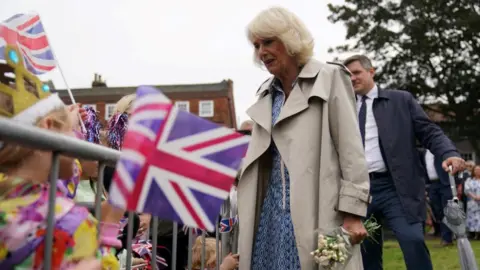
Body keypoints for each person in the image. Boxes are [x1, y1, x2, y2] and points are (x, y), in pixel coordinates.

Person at [238, 7, 370, 270]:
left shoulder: (330, 77)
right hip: (271, 216)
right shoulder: (266, 95)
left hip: (318, 209)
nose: (261, 52)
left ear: (290, 39)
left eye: (268, 42)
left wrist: (353, 213)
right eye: (256, 45)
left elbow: (351, 150)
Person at [0, 45, 118, 269]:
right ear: (49, 127)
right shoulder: (69, 222)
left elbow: (64, 177)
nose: (78, 143)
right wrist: (109, 224)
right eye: (72, 133)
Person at [343, 54, 465, 270]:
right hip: (359, 191)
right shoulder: (343, 108)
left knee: (413, 240)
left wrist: (449, 152)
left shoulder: (401, 100)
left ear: (372, 72)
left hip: (396, 188)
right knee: (366, 252)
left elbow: (429, 131)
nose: (352, 78)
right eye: (348, 74)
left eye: (357, 72)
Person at [424, 149, 453, 246]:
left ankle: (447, 238)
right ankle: (444, 235)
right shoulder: (424, 152)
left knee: (447, 210)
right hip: (432, 185)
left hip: (444, 183)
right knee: (437, 211)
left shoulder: (440, 150)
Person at [464, 165, 480, 238]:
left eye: (479, 170)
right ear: (473, 171)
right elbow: (467, 190)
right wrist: (474, 197)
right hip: (472, 201)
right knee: (472, 217)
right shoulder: (469, 180)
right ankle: (473, 233)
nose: (477, 171)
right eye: (476, 170)